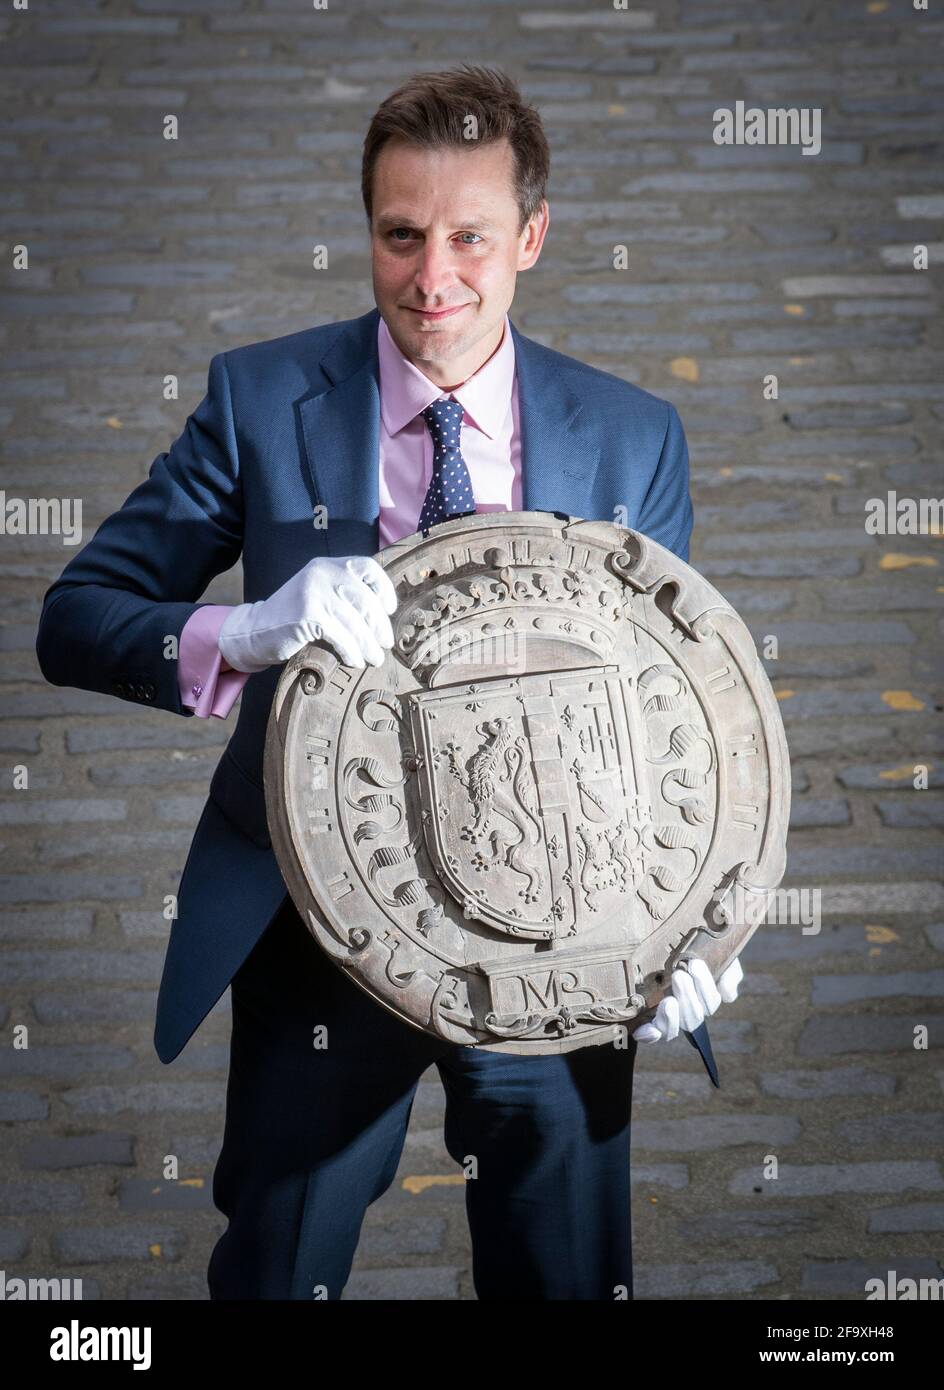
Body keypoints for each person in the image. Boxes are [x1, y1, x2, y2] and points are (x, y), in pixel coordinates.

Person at [35, 64, 740, 1301]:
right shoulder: (262, 402)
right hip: (316, 920)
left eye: (468, 236)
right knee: (277, 1272)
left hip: (556, 939)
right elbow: (76, 619)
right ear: (367, 228)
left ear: (529, 235)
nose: (432, 280)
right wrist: (249, 625)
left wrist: (688, 928)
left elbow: (663, 714)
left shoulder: (635, 438)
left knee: (563, 1276)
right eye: (399, 235)